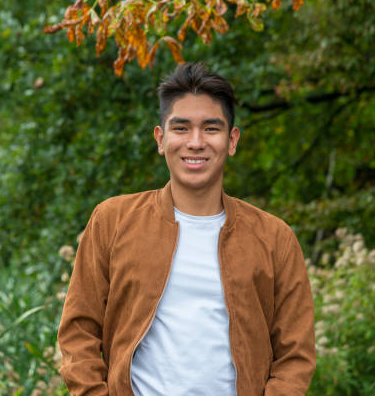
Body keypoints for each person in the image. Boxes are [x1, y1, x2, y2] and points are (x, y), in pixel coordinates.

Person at [57, 62, 316, 396]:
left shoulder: (273, 238)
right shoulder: (113, 221)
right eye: (181, 128)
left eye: (211, 129)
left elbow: (296, 354)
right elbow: (78, 332)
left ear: (232, 140)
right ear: (161, 139)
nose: (195, 142)